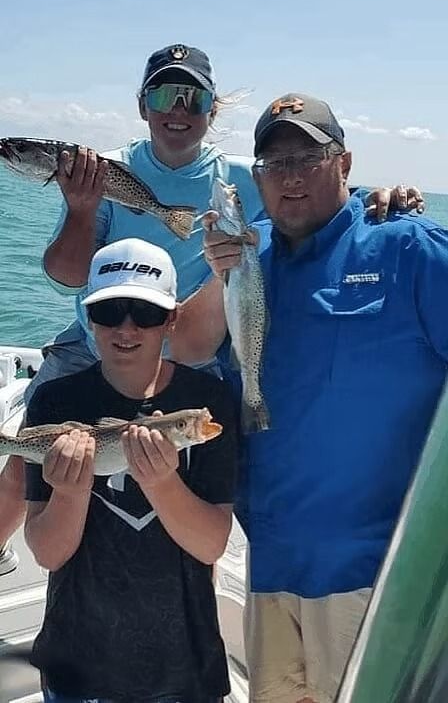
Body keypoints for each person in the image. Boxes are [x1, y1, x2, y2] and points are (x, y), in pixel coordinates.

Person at [0, 41, 422, 568]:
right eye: (164, 94)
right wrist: (81, 210)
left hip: (195, 349)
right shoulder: (102, 169)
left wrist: (385, 196)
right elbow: (66, 277)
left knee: (220, 458)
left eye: (192, 99)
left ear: (211, 108)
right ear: (143, 104)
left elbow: (320, 192)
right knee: (21, 457)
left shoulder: (245, 175)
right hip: (100, 339)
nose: (178, 110)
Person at [171, 91, 448, 703]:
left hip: (372, 578)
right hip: (270, 565)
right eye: (273, 165)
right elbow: (186, 346)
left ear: (344, 163)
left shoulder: (407, 245)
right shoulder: (247, 251)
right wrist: (220, 275)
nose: (290, 177)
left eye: (308, 158)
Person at [24, 236, 237, 703]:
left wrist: (162, 482)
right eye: (108, 311)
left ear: (171, 319)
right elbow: (47, 554)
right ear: (87, 315)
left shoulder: (209, 402)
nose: (126, 328)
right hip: (76, 658)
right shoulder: (55, 401)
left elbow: (211, 544)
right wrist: (70, 492)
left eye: (144, 313)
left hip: (185, 665)